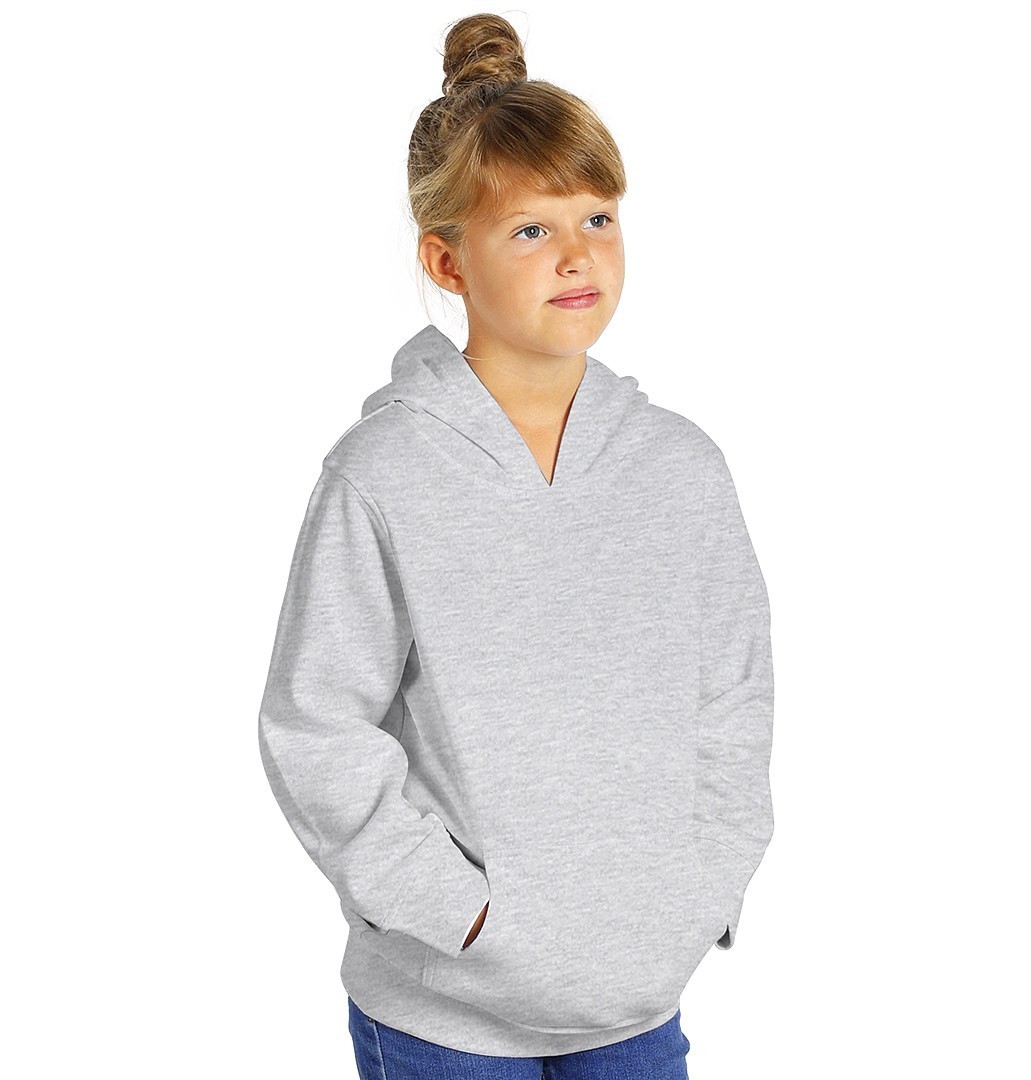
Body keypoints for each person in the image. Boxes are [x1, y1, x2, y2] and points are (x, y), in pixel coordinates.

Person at [257, 12, 775, 1078]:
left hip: (637, 1002)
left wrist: (704, 890)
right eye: (531, 230)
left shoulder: (682, 468)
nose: (579, 254)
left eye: (598, 217)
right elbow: (318, 727)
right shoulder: (382, 474)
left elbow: (732, 700)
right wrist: (454, 913)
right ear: (447, 261)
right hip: (445, 1015)